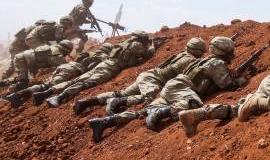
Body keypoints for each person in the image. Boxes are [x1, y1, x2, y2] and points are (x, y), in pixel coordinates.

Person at [88, 36, 246, 143]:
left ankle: (105, 122)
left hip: (173, 86)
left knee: (142, 112)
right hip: (183, 88)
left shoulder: (206, 60)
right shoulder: (216, 63)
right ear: (224, 51)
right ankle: (163, 112)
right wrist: (242, 79)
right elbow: (228, 85)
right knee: (193, 104)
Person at [72, 37, 207, 115]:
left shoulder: (181, 54)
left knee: (122, 92)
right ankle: (117, 103)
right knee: (148, 97)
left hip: (148, 76)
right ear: (199, 51)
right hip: (153, 80)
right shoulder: (190, 60)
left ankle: (86, 102)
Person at [43, 31, 155, 107]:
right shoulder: (136, 45)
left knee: (77, 80)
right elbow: (147, 54)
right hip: (109, 69)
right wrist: (152, 46)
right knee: (86, 84)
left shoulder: (125, 42)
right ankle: (59, 97)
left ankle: (49, 91)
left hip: (104, 64)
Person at [4, 43, 114, 108]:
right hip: (72, 70)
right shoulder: (103, 57)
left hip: (67, 67)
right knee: (46, 86)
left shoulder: (90, 53)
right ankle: (17, 96)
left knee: (45, 84)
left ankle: (16, 95)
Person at [0, 40, 74, 92]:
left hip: (21, 58)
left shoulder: (53, 48)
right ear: (67, 50)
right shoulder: (58, 56)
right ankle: (6, 96)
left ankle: (3, 83)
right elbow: (65, 67)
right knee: (23, 82)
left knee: (21, 78)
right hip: (22, 61)